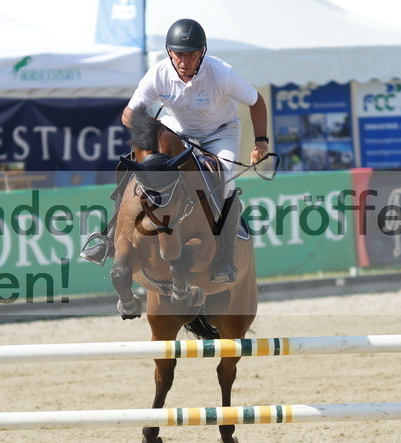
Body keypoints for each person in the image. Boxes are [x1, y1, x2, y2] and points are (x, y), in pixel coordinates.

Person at [80, 18, 268, 283]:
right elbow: (129, 114)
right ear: (169, 52)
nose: (184, 61)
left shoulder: (222, 74)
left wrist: (261, 141)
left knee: (224, 182)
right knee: (136, 166)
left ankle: (225, 255)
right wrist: (153, 129)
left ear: (202, 53)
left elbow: (256, 101)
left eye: (190, 54)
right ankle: (109, 237)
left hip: (219, 133)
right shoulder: (158, 74)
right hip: (177, 130)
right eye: (178, 54)